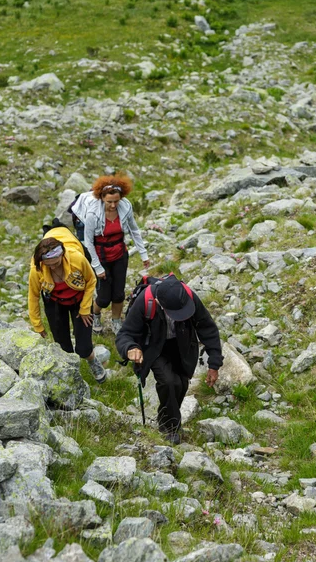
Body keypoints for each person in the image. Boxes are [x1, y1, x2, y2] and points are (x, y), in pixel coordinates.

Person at [116, 274, 223, 444]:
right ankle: (169, 428)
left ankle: (168, 418)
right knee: (168, 382)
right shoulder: (145, 301)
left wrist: (214, 363)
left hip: (183, 345)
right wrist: (130, 348)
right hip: (154, 348)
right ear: (159, 303)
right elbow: (125, 334)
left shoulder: (189, 297)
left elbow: (207, 329)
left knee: (181, 384)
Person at [28, 232, 106, 383]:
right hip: (55, 302)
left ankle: (93, 362)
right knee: (63, 347)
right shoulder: (37, 270)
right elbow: (33, 296)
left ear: (62, 255)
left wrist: (84, 308)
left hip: (79, 298)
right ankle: (72, 377)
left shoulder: (76, 259)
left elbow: (91, 281)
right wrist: (37, 325)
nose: (51, 267)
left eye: (55, 264)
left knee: (83, 348)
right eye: (48, 265)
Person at [83, 174, 149, 335]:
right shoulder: (93, 214)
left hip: (120, 255)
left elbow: (134, 230)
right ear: (101, 198)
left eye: (116, 201)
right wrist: (97, 267)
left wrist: (143, 254)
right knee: (104, 297)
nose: (113, 205)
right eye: (109, 202)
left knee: (119, 294)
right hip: (101, 257)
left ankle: (116, 321)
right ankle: (95, 314)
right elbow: (88, 242)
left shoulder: (125, 207)